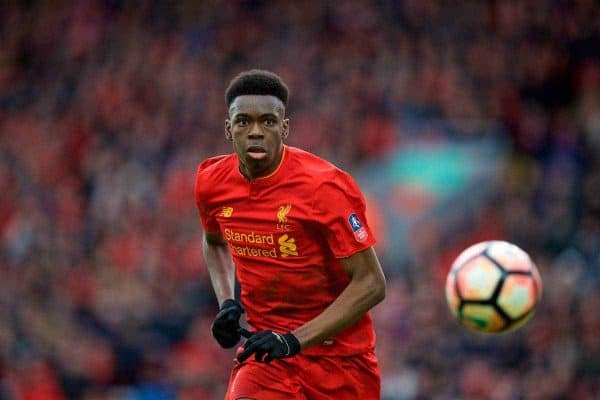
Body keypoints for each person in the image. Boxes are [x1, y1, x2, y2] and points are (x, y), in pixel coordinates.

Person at [195, 69, 386, 399]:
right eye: (244, 122)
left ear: (284, 128)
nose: (256, 132)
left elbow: (371, 283)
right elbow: (214, 243)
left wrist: (293, 339)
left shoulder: (324, 188)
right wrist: (227, 301)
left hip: (341, 364)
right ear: (229, 129)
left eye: (268, 122)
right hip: (268, 360)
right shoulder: (211, 183)